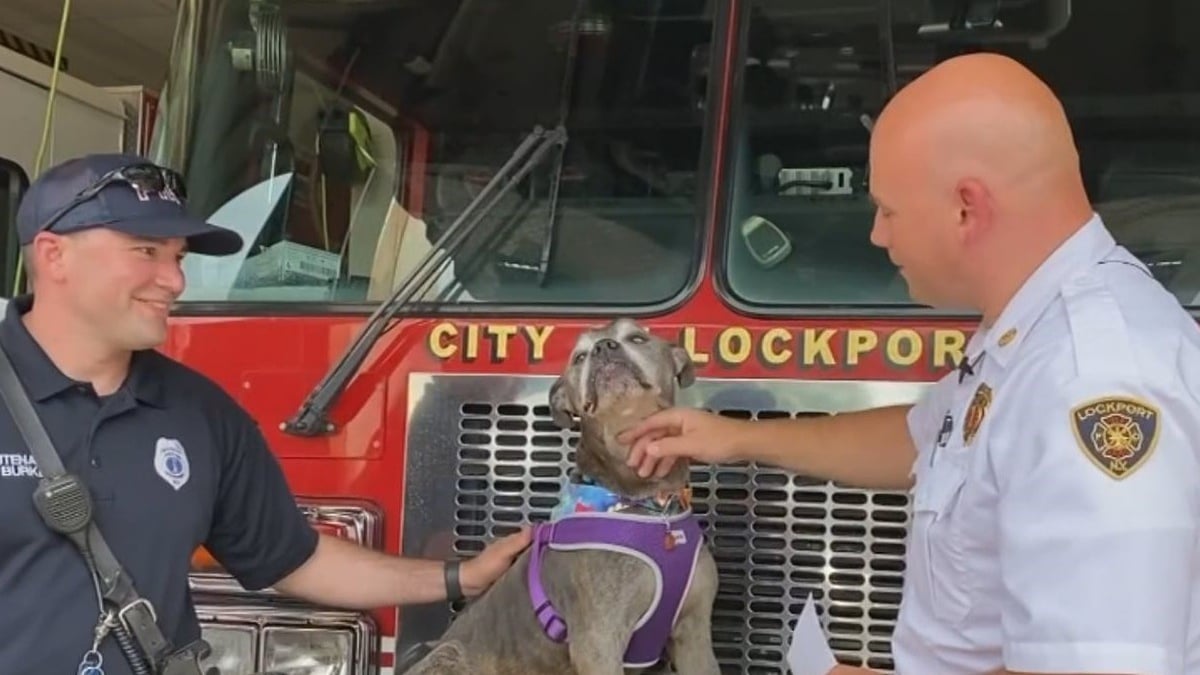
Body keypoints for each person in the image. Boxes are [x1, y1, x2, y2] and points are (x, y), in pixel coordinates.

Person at [621, 52, 1200, 675]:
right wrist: (737, 437)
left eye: (889, 209)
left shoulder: (1093, 377)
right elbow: (931, 438)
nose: (876, 234)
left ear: (965, 208)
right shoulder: (1027, 337)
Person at [0, 153, 531, 675]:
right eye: (146, 251)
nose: (174, 281)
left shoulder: (200, 413)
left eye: (178, 258)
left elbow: (296, 558)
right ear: (53, 256)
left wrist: (462, 577)